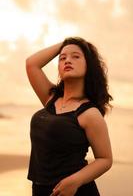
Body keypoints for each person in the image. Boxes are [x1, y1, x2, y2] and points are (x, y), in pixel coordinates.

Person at [26, 37, 113, 196]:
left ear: (89, 65)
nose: (67, 60)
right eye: (62, 58)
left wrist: (76, 180)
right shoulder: (50, 98)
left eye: (76, 56)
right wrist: (67, 43)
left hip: (74, 191)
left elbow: (105, 159)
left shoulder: (89, 113)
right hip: (40, 190)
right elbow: (32, 64)